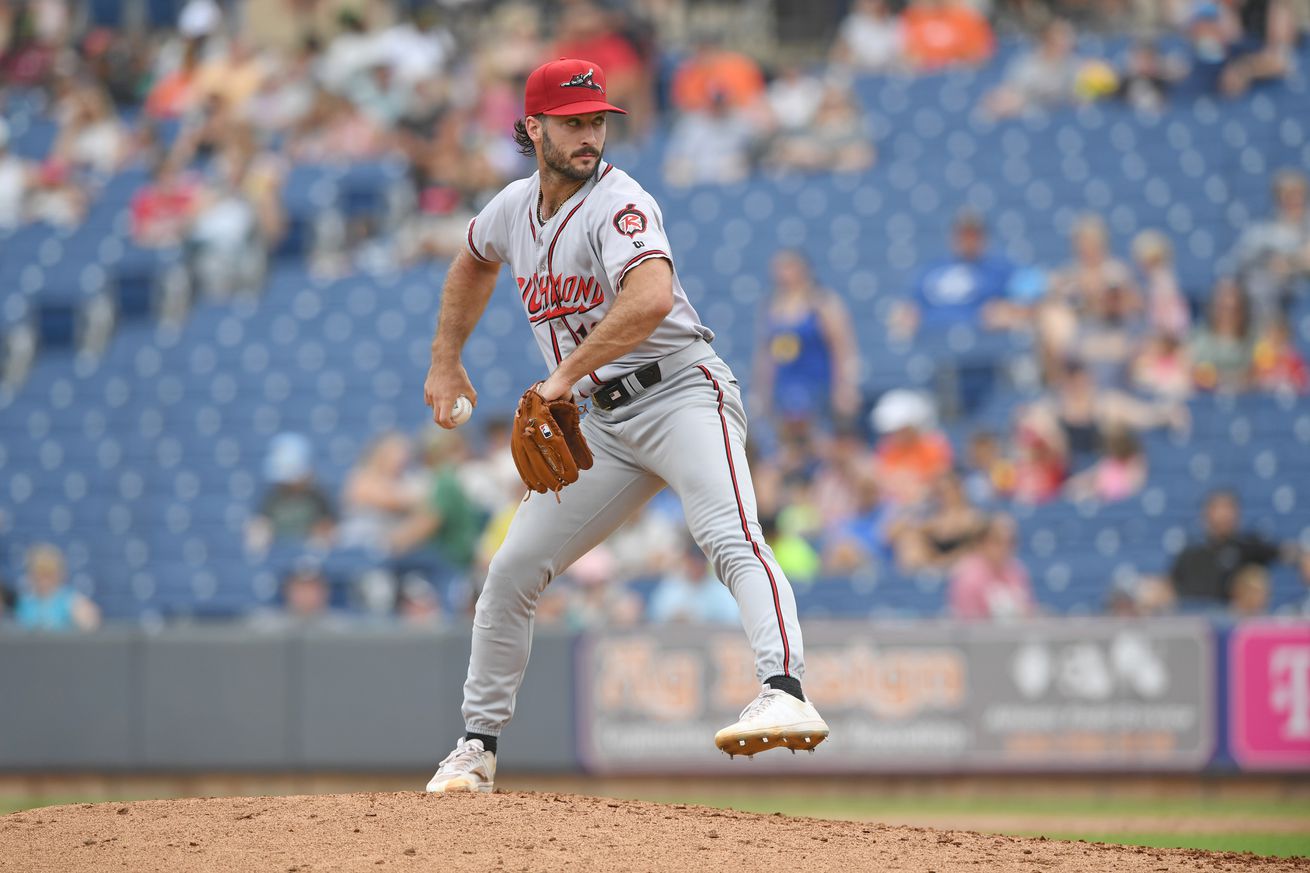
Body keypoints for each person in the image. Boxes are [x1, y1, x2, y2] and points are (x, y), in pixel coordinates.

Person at [421, 59, 827, 793]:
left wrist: (561, 377)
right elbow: (472, 261)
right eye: (574, 122)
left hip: (679, 394)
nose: (590, 135)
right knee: (510, 571)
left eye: (598, 120)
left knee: (731, 533)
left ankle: (786, 691)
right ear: (534, 126)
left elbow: (648, 298)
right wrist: (446, 359)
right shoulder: (513, 208)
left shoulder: (622, 203)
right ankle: (476, 747)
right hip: (600, 426)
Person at [752, 249, 861, 428]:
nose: (782, 274)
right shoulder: (771, 306)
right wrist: (761, 391)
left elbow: (842, 347)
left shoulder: (822, 303)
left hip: (818, 385)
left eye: (788, 267)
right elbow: (765, 355)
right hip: (784, 387)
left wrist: (845, 387)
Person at [891, 210, 1018, 339]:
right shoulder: (932, 270)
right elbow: (911, 305)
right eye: (963, 234)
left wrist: (1007, 311)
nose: (968, 240)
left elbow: (1024, 303)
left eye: (973, 235)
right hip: (933, 339)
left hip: (982, 341)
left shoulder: (1000, 270)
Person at [1169, 490, 1295, 604]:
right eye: (1217, 508)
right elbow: (1170, 585)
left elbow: (1284, 552)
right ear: (1206, 513)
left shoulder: (1248, 547)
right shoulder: (1190, 553)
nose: (1223, 514)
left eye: (1228, 508)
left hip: (1237, 621)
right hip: (1199, 619)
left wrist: (1302, 557)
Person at [1229, 169, 1310, 330]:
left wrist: (1290, 263)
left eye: (1297, 194)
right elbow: (1241, 259)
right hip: (1272, 299)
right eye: (1286, 196)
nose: (1292, 200)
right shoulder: (1265, 231)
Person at [245, 432, 336, 554]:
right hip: (277, 556)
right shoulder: (272, 497)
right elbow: (261, 524)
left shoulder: (317, 497)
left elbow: (327, 527)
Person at [947, 515, 1036, 621]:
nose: (1005, 548)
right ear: (981, 543)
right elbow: (968, 625)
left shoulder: (1017, 570)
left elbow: (1029, 612)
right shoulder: (967, 577)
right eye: (997, 542)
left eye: (1011, 542)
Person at [649, 541, 741, 625]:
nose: (696, 564)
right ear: (686, 559)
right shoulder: (671, 586)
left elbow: (732, 620)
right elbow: (656, 616)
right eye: (693, 560)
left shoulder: (720, 589)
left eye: (700, 560)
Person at [13, 544, 101, 632]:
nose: (44, 579)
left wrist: (86, 618)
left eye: (49, 572)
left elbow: (90, 622)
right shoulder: (24, 601)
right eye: (39, 572)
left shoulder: (71, 600)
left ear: (60, 573)